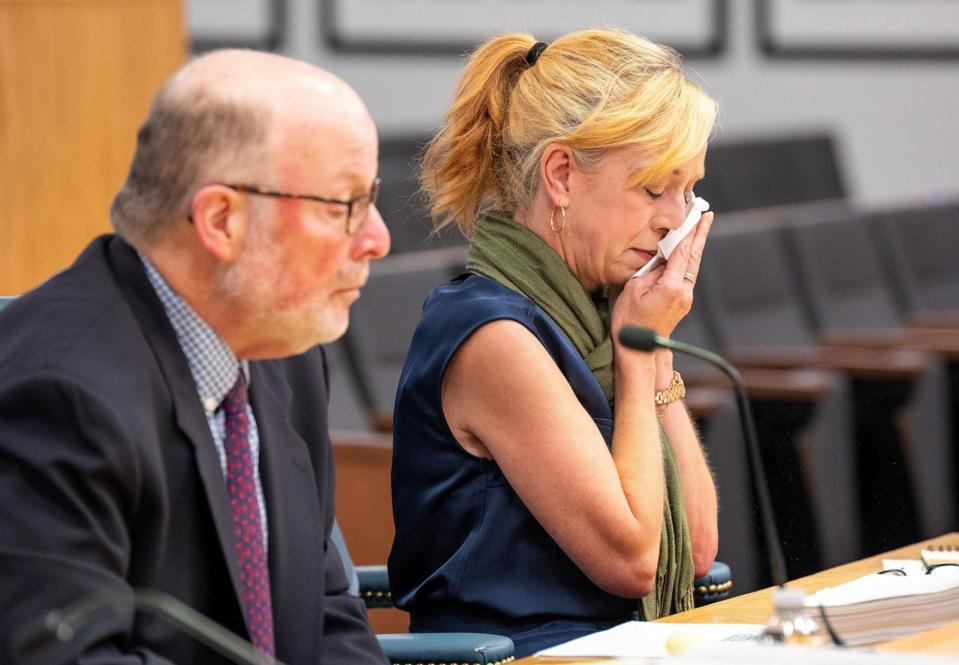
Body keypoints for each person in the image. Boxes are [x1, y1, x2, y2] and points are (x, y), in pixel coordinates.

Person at [0, 50, 391, 664]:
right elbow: (66, 657)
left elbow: (325, 611)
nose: (377, 239)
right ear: (221, 220)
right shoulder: (60, 393)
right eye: (342, 206)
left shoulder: (286, 357)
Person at [388, 28, 719, 656]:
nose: (677, 219)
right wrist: (638, 352)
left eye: (689, 190)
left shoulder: (606, 314)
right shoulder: (493, 336)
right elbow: (630, 562)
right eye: (654, 188)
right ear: (561, 175)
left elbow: (697, 549)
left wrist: (654, 356)